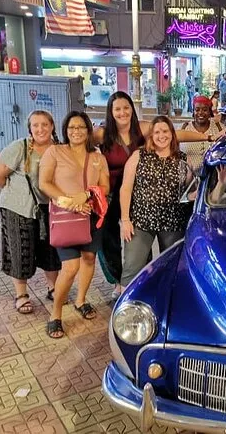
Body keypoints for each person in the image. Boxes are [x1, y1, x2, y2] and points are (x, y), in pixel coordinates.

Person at [39, 111, 110, 339]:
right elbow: (44, 183)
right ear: (65, 130)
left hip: (92, 215)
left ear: (88, 130)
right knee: (70, 267)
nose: (76, 131)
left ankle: (80, 300)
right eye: (71, 127)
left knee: (89, 258)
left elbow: (105, 186)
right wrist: (70, 203)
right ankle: (55, 314)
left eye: (81, 127)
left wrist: (86, 196)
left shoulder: (97, 156)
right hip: (66, 217)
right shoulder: (55, 152)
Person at [0, 110, 61, 314]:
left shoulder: (58, 149)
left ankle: (53, 288)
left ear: (52, 126)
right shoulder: (20, 147)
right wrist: (16, 195)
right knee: (20, 250)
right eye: (35, 125)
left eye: (44, 124)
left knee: (51, 250)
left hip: (49, 208)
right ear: (29, 128)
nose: (40, 129)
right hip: (18, 208)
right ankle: (21, 294)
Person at [119, 116, 191, 288]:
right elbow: (126, 188)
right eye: (157, 132)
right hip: (141, 220)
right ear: (151, 135)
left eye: (165, 131)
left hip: (173, 221)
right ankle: (127, 301)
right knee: (132, 267)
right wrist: (125, 220)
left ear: (172, 134)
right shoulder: (139, 155)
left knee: (172, 267)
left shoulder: (182, 158)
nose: (161, 136)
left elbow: (189, 190)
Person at [99, 92, 145, 300]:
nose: (122, 112)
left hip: (136, 193)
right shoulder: (102, 134)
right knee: (109, 239)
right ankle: (117, 280)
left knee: (137, 236)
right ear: (110, 112)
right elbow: (76, 138)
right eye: (117, 109)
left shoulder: (141, 129)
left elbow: (172, 133)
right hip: (109, 194)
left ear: (132, 109)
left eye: (126, 107)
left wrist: (208, 137)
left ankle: (137, 277)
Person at [181, 96, 223, 168]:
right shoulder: (185, 128)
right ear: (193, 111)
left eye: (205, 110)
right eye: (197, 110)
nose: (200, 113)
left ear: (209, 112)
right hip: (189, 174)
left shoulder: (219, 128)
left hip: (214, 174)